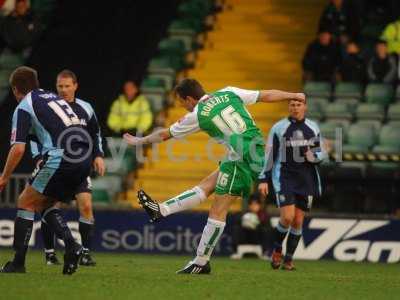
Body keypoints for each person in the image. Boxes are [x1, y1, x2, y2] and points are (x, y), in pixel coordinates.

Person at [123, 78, 305, 274]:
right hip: (252, 152)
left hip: (242, 158)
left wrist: (140, 141)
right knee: (206, 186)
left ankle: (201, 261)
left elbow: (164, 135)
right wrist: (293, 95)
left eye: (182, 102)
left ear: (190, 99)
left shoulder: (198, 114)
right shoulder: (228, 91)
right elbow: (266, 94)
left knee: (218, 209)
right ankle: (162, 210)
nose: (183, 106)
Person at [0, 66, 92, 274]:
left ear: (15, 89)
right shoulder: (51, 97)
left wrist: (4, 178)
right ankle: (71, 246)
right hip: (83, 156)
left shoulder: (24, 105)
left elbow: (18, 148)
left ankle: (18, 263)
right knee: (46, 202)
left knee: (25, 201)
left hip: (62, 156)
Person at [30, 69, 105, 266]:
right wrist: (37, 157)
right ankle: (49, 252)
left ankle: (86, 253)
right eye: (60, 86)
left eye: (67, 86)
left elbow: (95, 132)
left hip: (80, 166)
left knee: (86, 205)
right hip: (56, 165)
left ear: (75, 86)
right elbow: (33, 135)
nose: (63, 90)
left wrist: (98, 155)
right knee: (50, 205)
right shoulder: (48, 107)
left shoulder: (85, 108)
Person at [258, 98, 327, 271]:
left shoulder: (313, 127)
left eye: (298, 105)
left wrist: (314, 156)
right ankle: (277, 250)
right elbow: (270, 155)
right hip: (284, 177)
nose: (295, 108)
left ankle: (289, 259)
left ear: (305, 107)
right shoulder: (279, 127)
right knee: (287, 217)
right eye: (292, 105)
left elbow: (320, 152)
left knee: (297, 221)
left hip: (306, 178)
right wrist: (263, 179)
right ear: (288, 107)